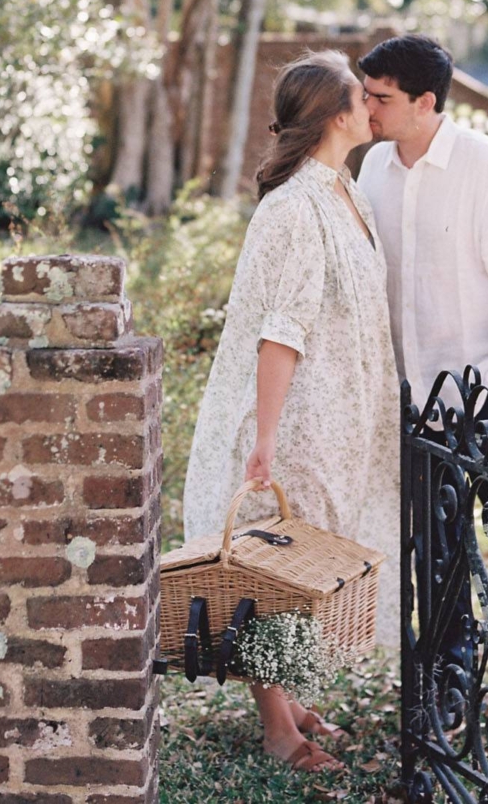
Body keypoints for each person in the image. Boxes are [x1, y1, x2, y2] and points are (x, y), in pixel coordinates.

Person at [182, 50, 400, 773]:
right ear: (338, 116)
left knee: (307, 567)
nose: (374, 106)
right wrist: (265, 439)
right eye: (361, 99)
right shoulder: (295, 208)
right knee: (275, 575)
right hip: (295, 419)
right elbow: (282, 331)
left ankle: (291, 702)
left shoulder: (346, 192)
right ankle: (278, 727)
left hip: (340, 415)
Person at [356, 34, 488, 668]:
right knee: (433, 560)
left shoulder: (485, 168)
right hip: (413, 408)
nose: (367, 108)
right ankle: (450, 684)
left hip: (486, 399)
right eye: (367, 93)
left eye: (381, 98)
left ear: (426, 102)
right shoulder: (374, 167)